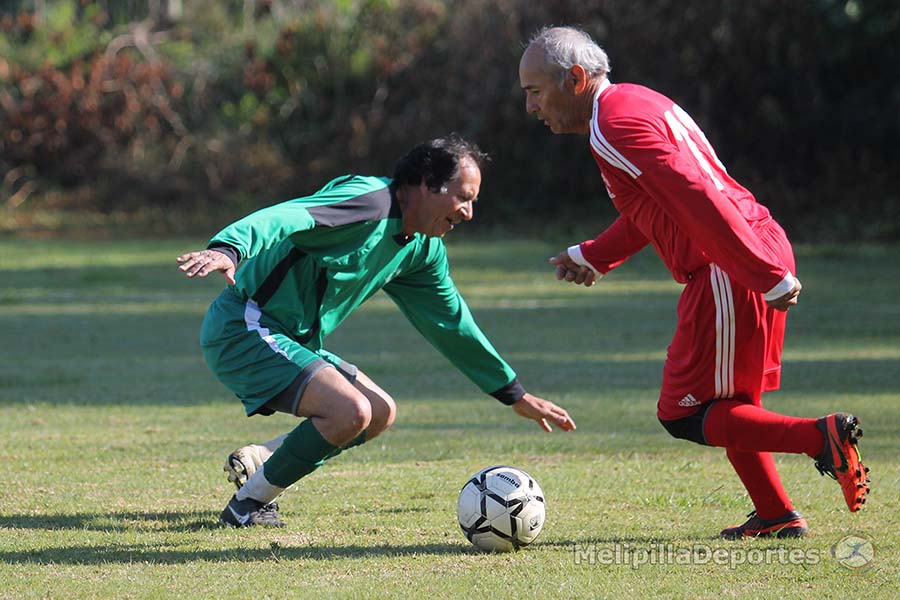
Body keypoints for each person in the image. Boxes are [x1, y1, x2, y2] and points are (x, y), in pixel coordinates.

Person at [518, 26, 869, 538]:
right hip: (745, 250)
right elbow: (655, 206)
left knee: (683, 413)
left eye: (534, 92)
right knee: (731, 407)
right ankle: (776, 514)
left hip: (729, 265)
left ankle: (823, 439)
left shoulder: (611, 126)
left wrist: (759, 272)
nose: (531, 108)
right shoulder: (631, 103)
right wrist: (593, 255)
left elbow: (695, 196)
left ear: (574, 78)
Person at [177, 135, 576, 527]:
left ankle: (263, 460)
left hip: (289, 338)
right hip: (245, 327)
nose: (469, 212)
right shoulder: (370, 201)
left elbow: (451, 323)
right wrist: (229, 248)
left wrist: (512, 393)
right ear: (425, 184)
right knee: (350, 411)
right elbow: (288, 215)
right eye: (463, 197)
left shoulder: (421, 248)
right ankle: (249, 504)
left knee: (379, 413)